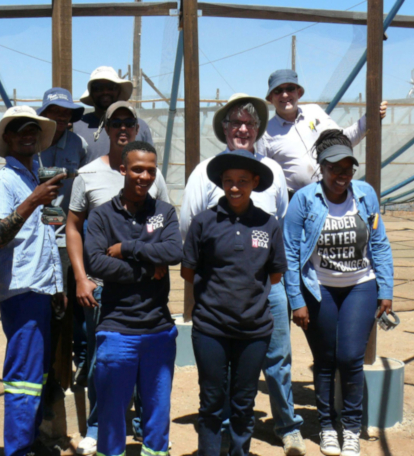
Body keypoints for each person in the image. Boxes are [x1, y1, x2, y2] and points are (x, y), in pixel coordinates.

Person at [179, 93, 306, 455]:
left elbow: (278, 222)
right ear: (224, 128)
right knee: (215, 390)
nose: (243, 129)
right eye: (235, 122)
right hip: (216, 299)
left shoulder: (273, 172)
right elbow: (190, 235)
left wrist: (260, 280)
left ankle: (287, 426)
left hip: (263, 290)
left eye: (250, 123)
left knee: (275, 362)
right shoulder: (204, 173)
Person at [66, 101, 169, 455]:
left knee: (148, 380)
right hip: (107, 295)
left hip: (151, 306)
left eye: (129, 121)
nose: (123, 127)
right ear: (105, 128)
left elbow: (170, 239)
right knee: (103, 366)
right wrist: (82, 276)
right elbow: (75, 229)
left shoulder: (156, 184)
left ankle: (141, 428)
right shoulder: (88, 175)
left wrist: (128, 249)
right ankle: (97, 426)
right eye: (116, 122)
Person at [283, 130, 393, 456]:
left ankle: (351, 429)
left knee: (349, 358)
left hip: (360, 285)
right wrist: (296, 300)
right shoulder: (304, 200)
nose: (342, 176)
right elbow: (290, 253)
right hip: (320, 291)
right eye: (335, 169)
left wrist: (385, 289)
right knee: (326, 360)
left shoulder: (365, 195)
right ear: (322, 167)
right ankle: (328, 427)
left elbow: (379, 243)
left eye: (348, 169)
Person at [84, 140, 182, 456]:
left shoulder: (165, 212)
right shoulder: (101, 216)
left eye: (150, 171)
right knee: (112, 415)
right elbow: (96, 263)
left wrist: (128, 249)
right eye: (137, 169)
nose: (144, 176)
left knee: (157, 412)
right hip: (117, 330)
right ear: (123, 169)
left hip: (158, 329)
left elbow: (174, 252)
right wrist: (148, 270)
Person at [0, 106, 66, 456]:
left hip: (42, 289)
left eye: (33, 129)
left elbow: (45, 238)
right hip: (22, 292)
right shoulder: (4, 182)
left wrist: (58, 287)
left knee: (37, 378)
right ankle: (19, 449)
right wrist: (33, 201)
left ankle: (31, 442)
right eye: (19, 130)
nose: (28, 135)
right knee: (23, 379)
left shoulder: (35, 176)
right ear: (7, 139)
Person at [257, 69, 387, 196]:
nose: (285, 95)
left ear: (299, 93)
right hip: (295, 201)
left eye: (290, 88)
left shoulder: (314, 112)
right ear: (270, 98)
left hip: (332, 195)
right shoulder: (266, 133)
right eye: (278, 91)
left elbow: (343, 140)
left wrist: (369, 118)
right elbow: (264, 175)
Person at [36, 87, 90, 391]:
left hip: (66, 239)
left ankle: (75, 367)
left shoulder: (78, 145)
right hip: (37, 239)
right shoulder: (33, 143)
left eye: (65, 113)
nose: (60, 118)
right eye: (54, 112)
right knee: (46, 311)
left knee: (72, 305)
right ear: (44, 114)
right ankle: (48, 377)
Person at [73, 66, 154, 163]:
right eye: (98, 88)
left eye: (111, 87)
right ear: (91, 93)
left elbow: (150, 166)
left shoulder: (139, 126)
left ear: (119, 91)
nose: (105, 92)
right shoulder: (76, 127)